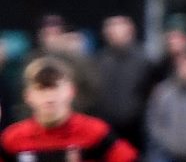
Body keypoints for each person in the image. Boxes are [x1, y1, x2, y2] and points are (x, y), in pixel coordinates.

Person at [2, 58, 137, 162]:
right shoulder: (11, 140)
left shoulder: (95, 134)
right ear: (28, 96)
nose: (49, 98)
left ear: (71, 91)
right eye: (41, 90)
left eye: (55, 88)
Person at [95, 18, 151, 150]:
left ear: (130, 32)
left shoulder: (143, 60)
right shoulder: (99, 60)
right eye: (112, 31)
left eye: (120, 30)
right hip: (107, 126)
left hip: (136, 127)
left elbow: (149, 92)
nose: (116, 34)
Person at [37, 19, 99, 113]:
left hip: (75, 112)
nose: (51, 39)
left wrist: (75, 107)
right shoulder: (34, 60)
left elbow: (91, 89)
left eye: (56, 34)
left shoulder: (77, 61)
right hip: (41, 113)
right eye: (47, 34)